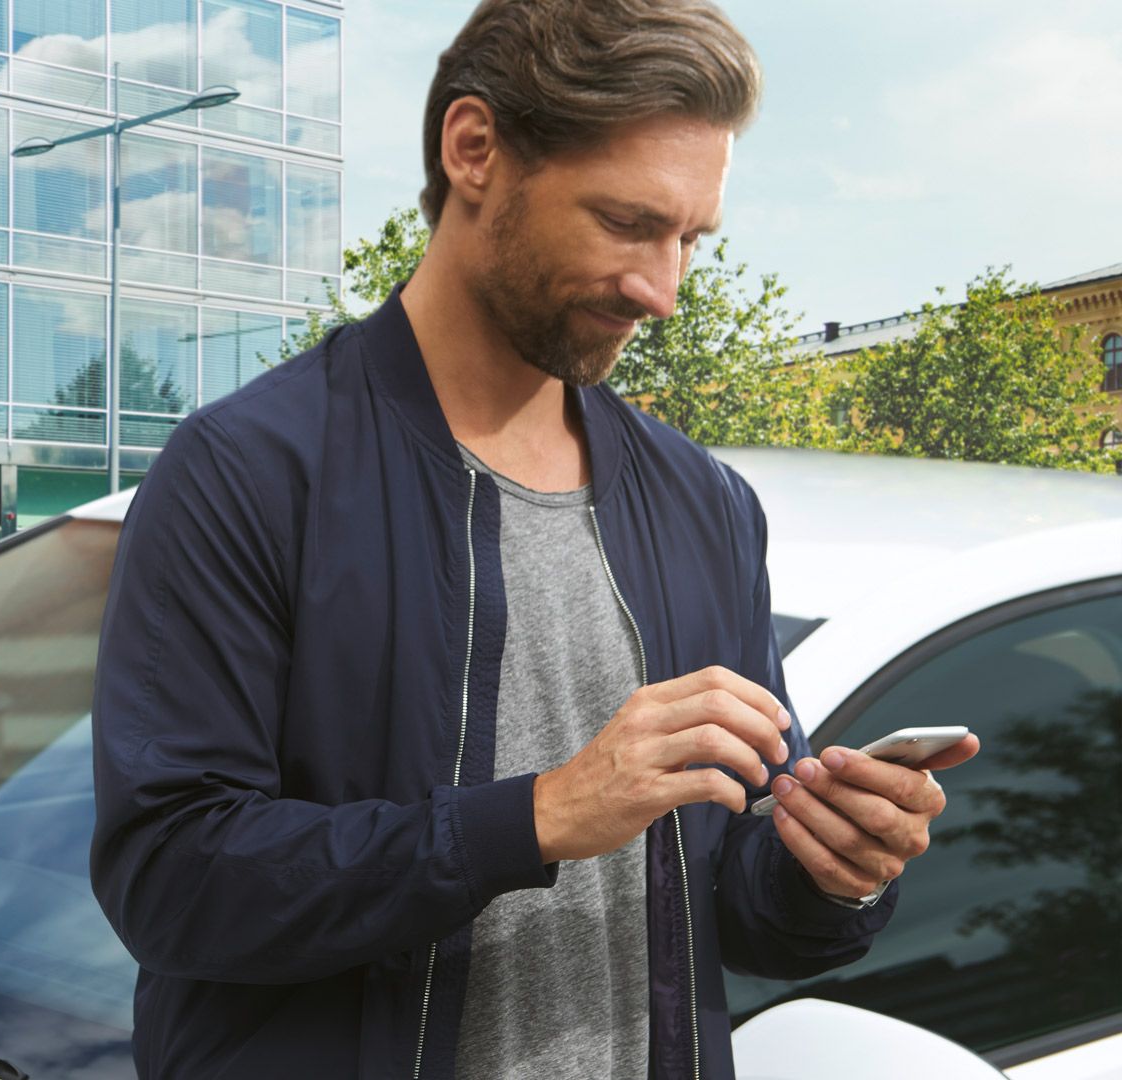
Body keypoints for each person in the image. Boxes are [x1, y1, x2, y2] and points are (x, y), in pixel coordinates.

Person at [88, 2, 980, 1078]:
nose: (663, 290)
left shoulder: (707, 505)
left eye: (690, 239)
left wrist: (833, 871)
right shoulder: (247, 475)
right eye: (625, 222)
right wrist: (541, 816)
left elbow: (740, 918)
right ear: (474, 151)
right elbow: (172, 882)